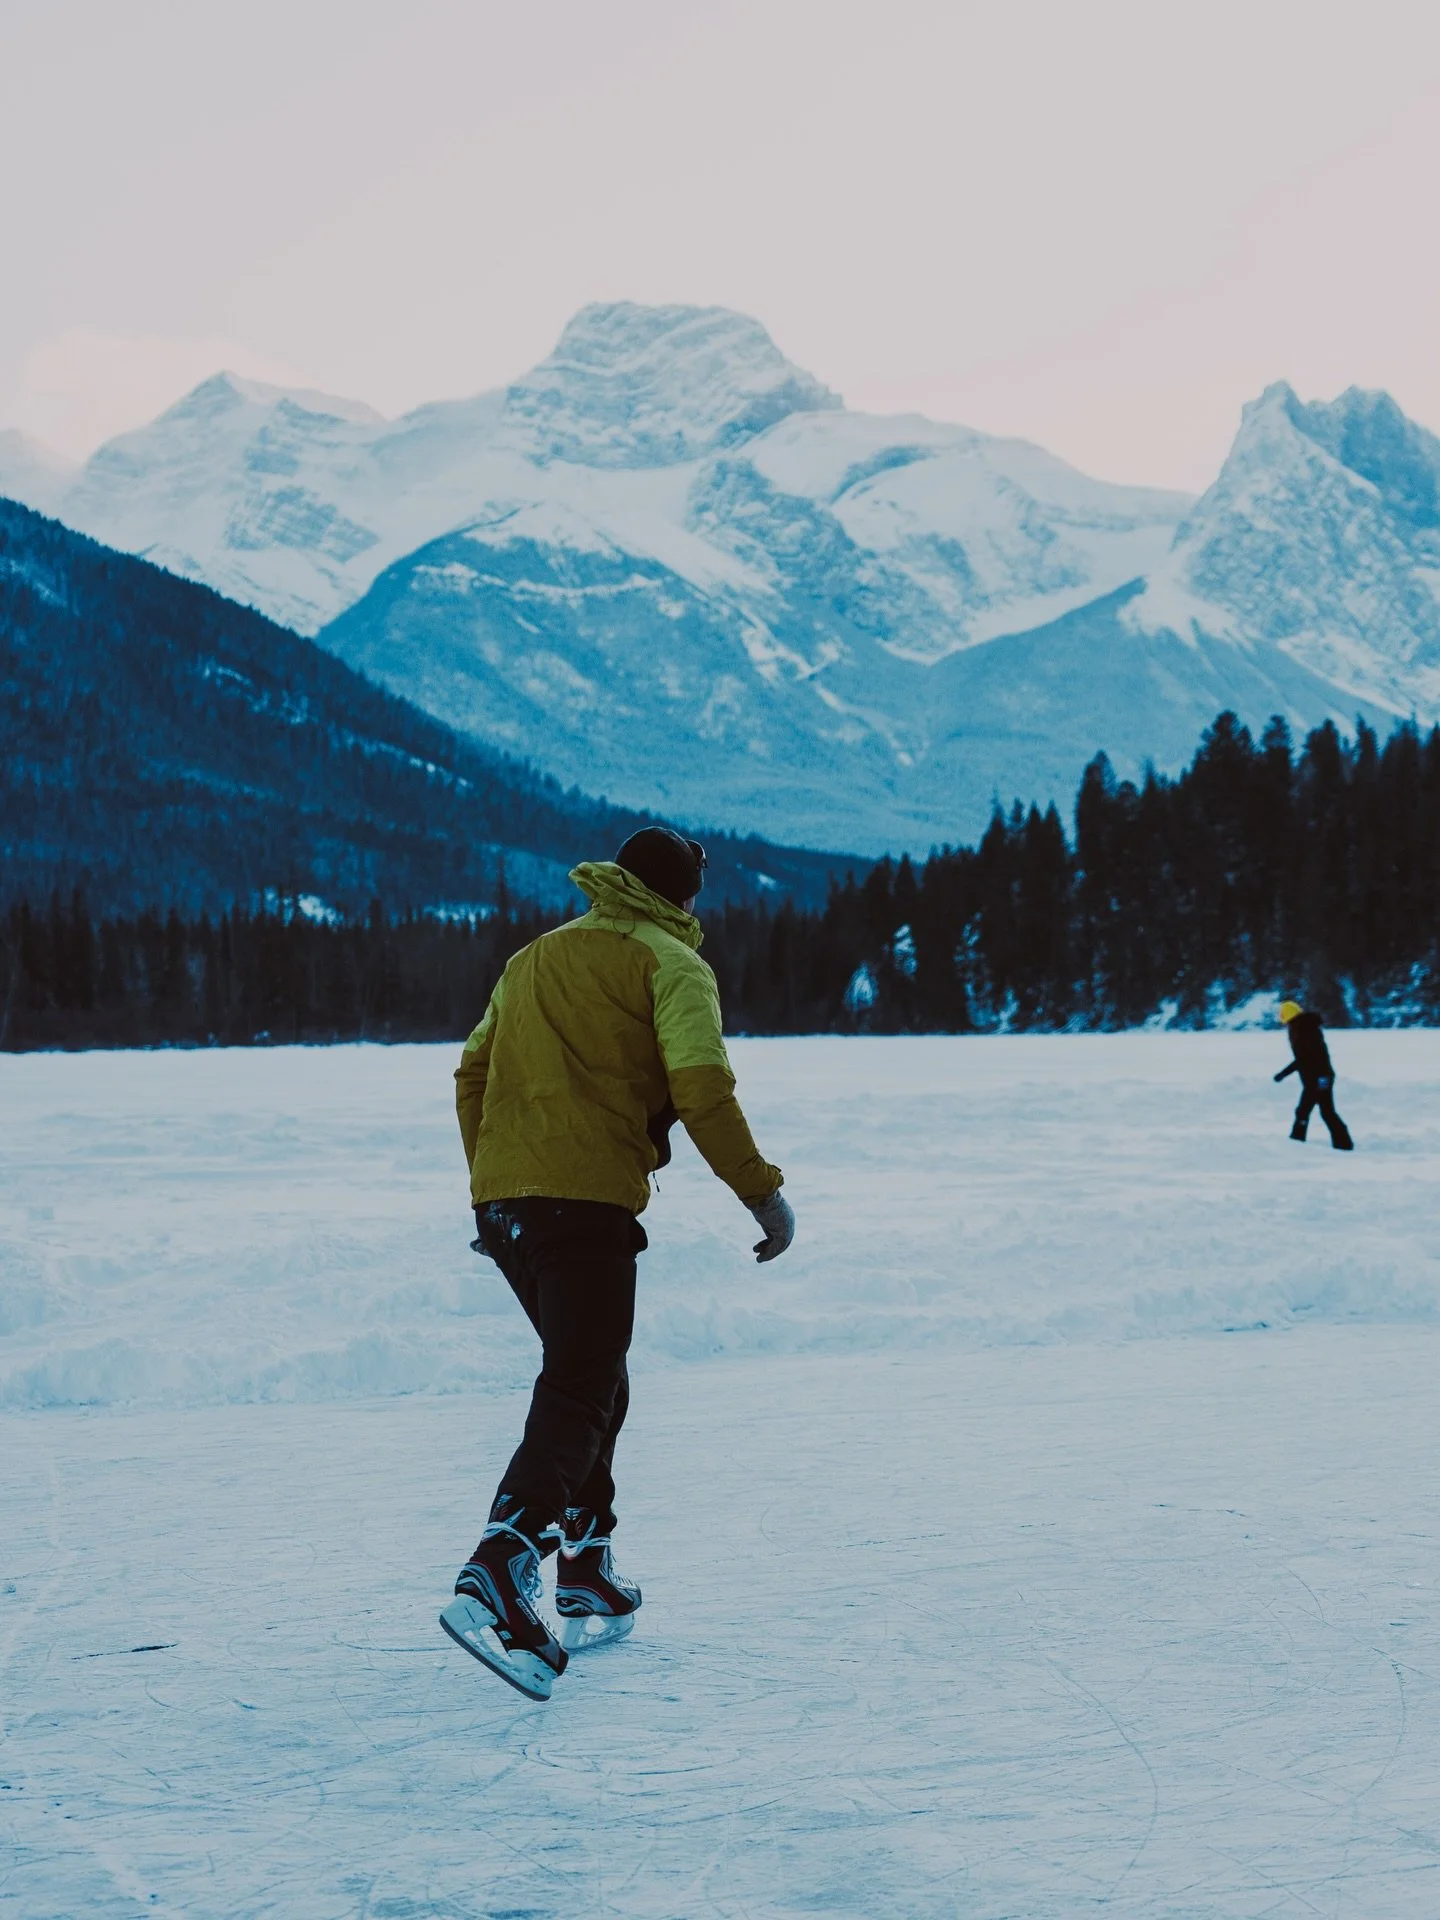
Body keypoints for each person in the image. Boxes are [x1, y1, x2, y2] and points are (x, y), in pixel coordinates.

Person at [439, 827, 795, 1700]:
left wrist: (494, 1189)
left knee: (595, 1373)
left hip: (513, 1204)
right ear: (684, 896)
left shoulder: (535, 957)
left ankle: (585, 1561)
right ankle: (504, 1562)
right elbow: (702, 1086)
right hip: (583, 1201)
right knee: (583, 1381)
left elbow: (471, 1073)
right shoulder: (671, 964)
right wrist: (762, 1194)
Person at [1274, 999, 1353, 1150]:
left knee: (1306, 1110)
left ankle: (1298, 1142)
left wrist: (1283, 1074)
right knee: (1325, 1111)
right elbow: (1305, 1058)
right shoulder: (1305, 1027)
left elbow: (1304, 1058)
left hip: (1318, 1078)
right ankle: (1343, 1143)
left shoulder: (1303, 1030)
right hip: (1320, 1077)